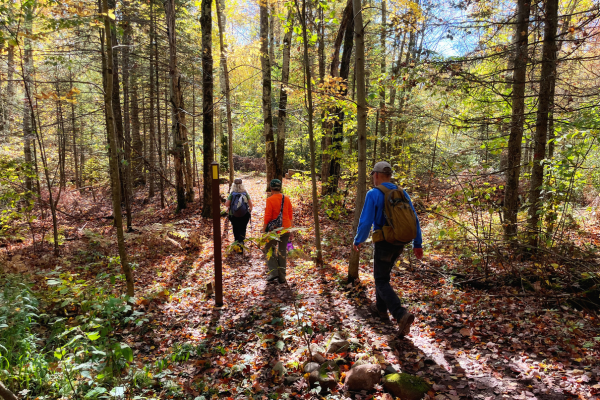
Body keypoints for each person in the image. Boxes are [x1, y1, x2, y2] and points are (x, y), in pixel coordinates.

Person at [353, 161, 423, 337]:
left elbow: (366, 221)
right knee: (382, 276)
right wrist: (417, 244)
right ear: (389, 175)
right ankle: (381, 310)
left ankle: (400, 314)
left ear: (376, 175)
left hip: (384, 242)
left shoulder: (374, 193)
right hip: (400, 243)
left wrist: (358, 240)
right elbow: (415, 219)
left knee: (381, 280)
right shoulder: (402, 192)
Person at [263, 179, 293, 283]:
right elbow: (290, 215)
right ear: (280, 188)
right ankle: (282, 277)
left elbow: (268, 216)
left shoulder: (270, 200)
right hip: (286, 228)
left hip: (274, 230)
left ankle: (274, 272)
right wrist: (291, 229)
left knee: (269, 248)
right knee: (282, 251)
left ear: (271, 189)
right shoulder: (287, 198)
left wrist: (263, 230)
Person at [225, 178, 253, 253]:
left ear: (233, 185)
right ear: (242, 185)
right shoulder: (245, 193)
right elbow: (251, 204)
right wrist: (249, 210)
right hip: (244, 215)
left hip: (233, 215)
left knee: (235, 229)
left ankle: (236, 244)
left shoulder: (232, 194)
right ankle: (241, 245)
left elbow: (227, 204)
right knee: (243, 229)